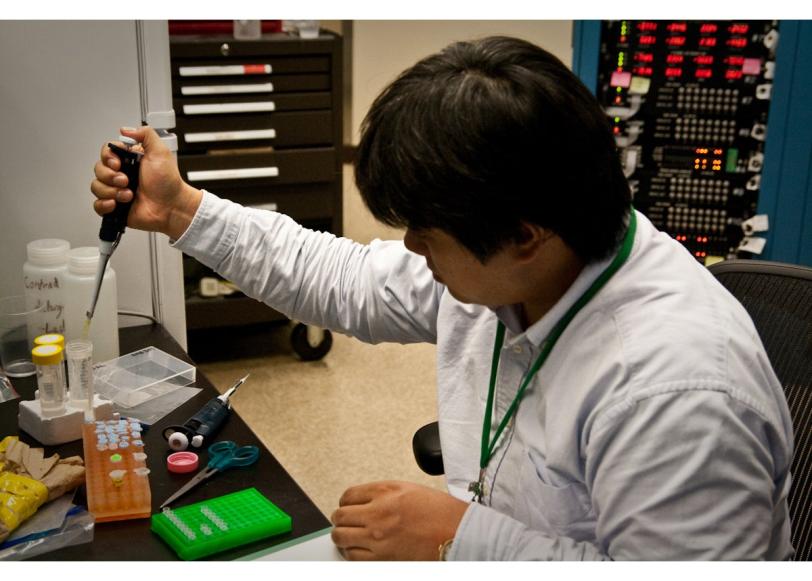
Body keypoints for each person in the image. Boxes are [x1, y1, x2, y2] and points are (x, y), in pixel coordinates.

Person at [91, 36, 794, 560]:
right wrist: (182, 209)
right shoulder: (522, 265)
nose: (414, 251)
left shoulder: (677, 391)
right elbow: (341, 276)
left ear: (524, 235)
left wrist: (461, 536)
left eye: (426, 234)